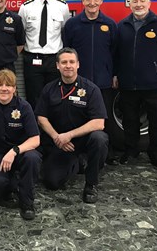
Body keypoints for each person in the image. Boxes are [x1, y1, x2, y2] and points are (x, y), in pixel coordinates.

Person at [113, 0, 157, 172]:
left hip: (154, 84)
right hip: (128, 84)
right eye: (134, 2)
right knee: (130, 120)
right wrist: (115, 74)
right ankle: (131, 151)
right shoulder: (123, 26)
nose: (138, 5)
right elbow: (116, 54)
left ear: (149, 3)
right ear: (129, 5)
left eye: (142, 1)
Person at [35, 48, 108, 203]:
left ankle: (91, 184)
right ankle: (78, 163)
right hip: (59, 142)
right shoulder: (49, 89)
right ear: (57, 66)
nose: (68, 65)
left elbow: (99, 122)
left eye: (71, 62)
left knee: (99, 138)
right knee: (51, 182)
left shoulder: (91, 89)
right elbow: (41, 117)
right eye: (64, 62)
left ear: (78, 64)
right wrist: (57, 137)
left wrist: (70, 135)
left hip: (82, 140)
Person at [0, 69, 41, 220]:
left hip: (21, 151)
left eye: (8, 85)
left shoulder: (24, 107)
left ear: (14, 88)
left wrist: (14, 151)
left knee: (33, 158)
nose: (4, 88)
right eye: (0, 84)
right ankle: (12, 184)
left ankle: (27, 203)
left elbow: (35, 139)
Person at [63, 0, 118, 164]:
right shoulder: (72, 25)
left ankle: (106, 153)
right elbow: (67, 51)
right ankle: (79, 152)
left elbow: (115, 52)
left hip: (103, 81)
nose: (92, 3)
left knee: (104, 117)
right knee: (77, 116)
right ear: (83, 2)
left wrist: (114, 74)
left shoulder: (110, 25)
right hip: (79, 83)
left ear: (101, 2)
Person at [19, 0, 71, 108]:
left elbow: (64, 30)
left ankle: (52, 129)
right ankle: (35, 129)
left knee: (55, 97)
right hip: (32, 59)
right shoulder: (26, 7)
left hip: (54, 59)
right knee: (34, 98)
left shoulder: (63, 6)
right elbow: (21, 33)